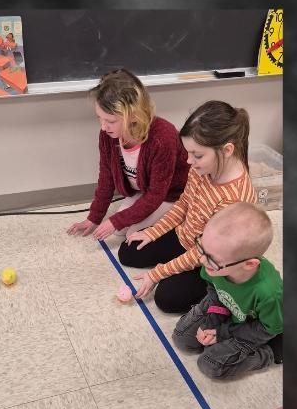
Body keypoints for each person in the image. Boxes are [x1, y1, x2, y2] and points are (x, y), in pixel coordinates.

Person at [121, 100, 256, 314]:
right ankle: (173, 264)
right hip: (188, 238)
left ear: (227, 150)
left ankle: (219, 293)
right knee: (129, 251)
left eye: (197, 155)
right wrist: (153, 233)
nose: (188, 161)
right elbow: (184, 204)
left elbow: (206, 251)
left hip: (210, 258)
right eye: (188, 153)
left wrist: (158, 273)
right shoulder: (201, 167)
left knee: (166, 298)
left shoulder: (234, 199)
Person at [70, 68, 188, 242]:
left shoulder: (163, 137)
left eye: (110, 121)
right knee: (119, 231)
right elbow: (106, 177)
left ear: (134, 116)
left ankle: (183, 216)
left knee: (129, 234)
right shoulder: (108, 135)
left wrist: (115, 221)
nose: (103, 127)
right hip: (144, 191)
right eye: (99, 118)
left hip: (172, 195)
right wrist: (94, 217)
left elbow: (156, 194)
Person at [169, 202, 283, 379]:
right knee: (182, 339)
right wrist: (212, 322)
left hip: (253, 326)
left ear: (249, 264)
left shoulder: (268, 292)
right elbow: (214, 292)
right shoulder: (214, 264)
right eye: (202, 248)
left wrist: (223, 333)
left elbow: (269, 328)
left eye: (212, 259)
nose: (202, 260)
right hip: (229, 309)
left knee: (210, 365)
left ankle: (268, 354)